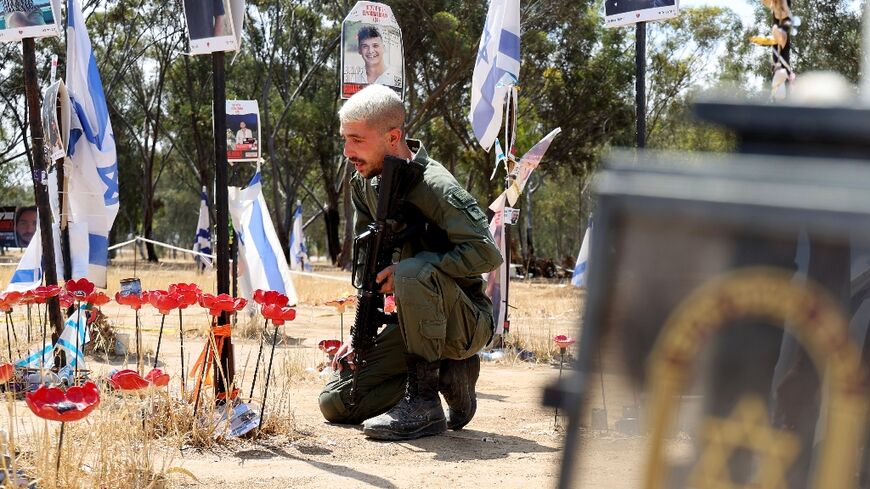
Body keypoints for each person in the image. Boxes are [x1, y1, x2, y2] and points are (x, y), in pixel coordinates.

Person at [318, 84, 502, 440]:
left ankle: (423, 404)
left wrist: (418, 269)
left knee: (414, 271)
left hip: (464, 321)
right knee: (338, 403)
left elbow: (487, 253)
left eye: (356, 139)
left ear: (393, 137)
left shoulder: (435, 185)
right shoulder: (365, 181)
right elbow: (371, 261)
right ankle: (446, 374)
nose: (347, 151)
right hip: (413, 324)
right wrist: (360, 334)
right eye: (345, 139)